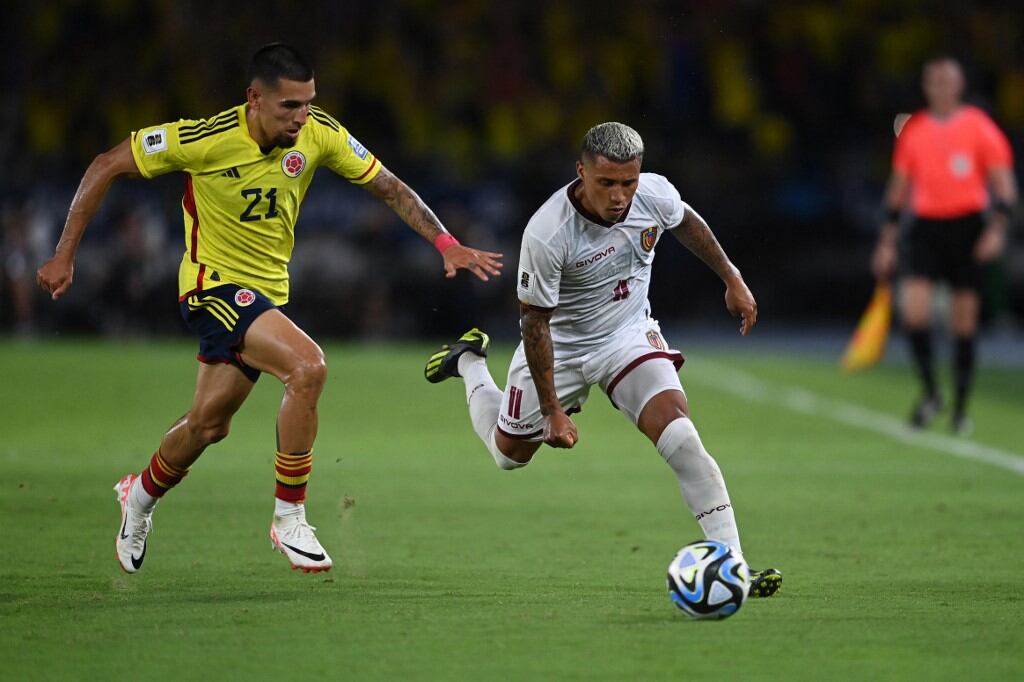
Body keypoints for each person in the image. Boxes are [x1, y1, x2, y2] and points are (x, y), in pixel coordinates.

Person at [36, 43, 503, 574]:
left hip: (266, 296)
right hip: (211, 288)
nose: (301, 117)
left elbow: (390, 187)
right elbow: (105, 165)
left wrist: (446, 244)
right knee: (308, 368)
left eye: (308, 103)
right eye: (290, 107)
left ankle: (137, 497)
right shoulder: (204, 139)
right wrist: (64, 253)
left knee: (208, 425)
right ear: (254, 99)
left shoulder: (318, 132)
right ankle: (289, 518)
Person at [424, 122, 781, 597]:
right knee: (508, 456)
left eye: (628, 183)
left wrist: (731, 277)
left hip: (626, 335)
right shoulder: (548, 232)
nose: (618, 196)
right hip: (562, 345)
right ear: (581, 172)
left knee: (681, 435)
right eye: (606, 183)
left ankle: (732, 566)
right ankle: (469, 361)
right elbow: (535, 324)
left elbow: (686, 221)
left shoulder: (653, 194)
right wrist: (551, 409)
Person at [872, 57, 1017, 435]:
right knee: (915, 312)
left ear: (959, 85)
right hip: (926, 228)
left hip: (968, 228)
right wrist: (886, 241)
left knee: (963, 322)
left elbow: (1005, 188)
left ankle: (961, 407)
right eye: (934, 81)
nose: (940, 87)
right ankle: (933, 392)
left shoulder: (980, 128)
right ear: (926, 87)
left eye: (947, 80)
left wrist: (995, 231)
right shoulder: (915, 130)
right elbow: (898, 190)